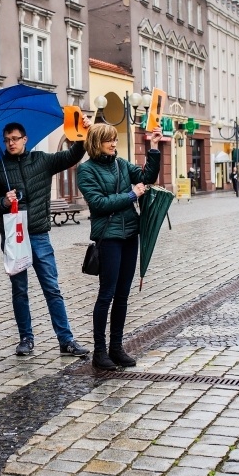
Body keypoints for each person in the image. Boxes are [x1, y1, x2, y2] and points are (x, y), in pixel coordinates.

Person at [0, 116, 93, 357]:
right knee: (20, 290)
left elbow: (71, 156)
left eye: (15, 139)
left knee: (52, 288)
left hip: (39, 235)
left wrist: (82, 133)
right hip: (14, 238)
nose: (11, 143)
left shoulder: (41, 160)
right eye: (7, 140)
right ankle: (26, 338)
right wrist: (4, 201)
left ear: (25, 139)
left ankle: (66, 339)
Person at [77, 124, 162, 370]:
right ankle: (100, 352)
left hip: (129, 235)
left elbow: (146, 179)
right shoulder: (86, 170)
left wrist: (153, 148)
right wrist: (130, 196)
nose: (113, 144)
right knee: (107, 294)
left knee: (123, 295)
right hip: (109, 238)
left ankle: (116, 347)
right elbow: (98, 203)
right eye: (108, 141)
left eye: (114, 140)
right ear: (96, 142)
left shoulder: (121, 164)